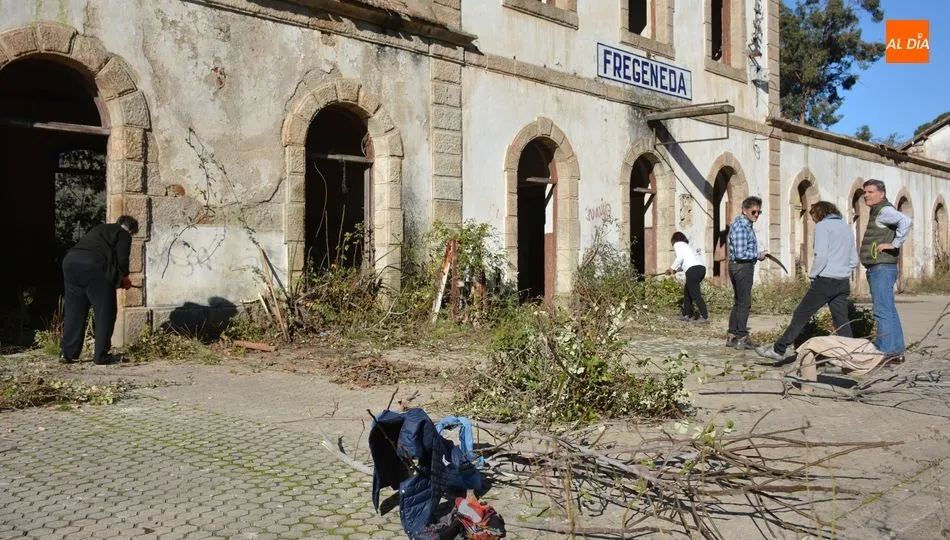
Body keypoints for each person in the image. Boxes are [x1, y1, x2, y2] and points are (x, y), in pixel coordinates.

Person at [756, 201, 857, 362]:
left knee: (801, 314)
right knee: (841, 320)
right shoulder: (846, 228)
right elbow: (854, 259)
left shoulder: (823, 227)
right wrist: (843, 271)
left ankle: (778, 349)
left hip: (825, 280)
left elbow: (821, 256)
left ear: (819, 213)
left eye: (813, 216)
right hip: (842, 281)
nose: (814, 220)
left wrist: (813, 274)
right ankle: (850, 357)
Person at [60, 215, 139, 365]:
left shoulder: (100, 229)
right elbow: (122, 260)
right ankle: (101, 356)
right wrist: (125, 279)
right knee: (105, 311)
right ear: (131, 229)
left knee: (74, 311)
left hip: (70, 262)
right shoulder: (123, 234)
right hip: (94, 266)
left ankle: (67, 353)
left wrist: (118, 280)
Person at [859, 179, 912, 362]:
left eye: (870, 192)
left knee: (882, 310)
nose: (866, 195)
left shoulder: (884, 211)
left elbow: (906, 220)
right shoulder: (879, 211)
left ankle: (886, 351)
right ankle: (896, 352)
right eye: (865, 192)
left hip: (881, 267)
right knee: (888, 309)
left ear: (881, 194)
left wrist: (894, 244)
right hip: (883, 266)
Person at [726, 196, 768, 350]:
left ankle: (732, 336)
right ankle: (742, 337)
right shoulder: (742, 227)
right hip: (742, 267)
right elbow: (740, 253)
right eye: (754, 211)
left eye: (759, 212)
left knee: (739, 302)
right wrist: (758, 255)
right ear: (745, 210)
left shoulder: (743, 224)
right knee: (744, 303)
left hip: (740, 267)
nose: (756, 215)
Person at [666, 232, 709, 323]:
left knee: (694, 293)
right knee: (687, 292)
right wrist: (675, 270)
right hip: (701, 269)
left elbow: (680, 258)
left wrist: (671, 268)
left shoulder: (677, 244)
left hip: (693, 270)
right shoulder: (687, 246)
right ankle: (686, 314)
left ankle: (704, 316)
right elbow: (686, 263)